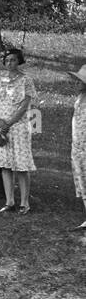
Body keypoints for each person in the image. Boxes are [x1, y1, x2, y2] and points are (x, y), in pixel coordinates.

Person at [0, 46, 36, 214]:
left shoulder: (26, 80)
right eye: (7, 60)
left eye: (13, 60)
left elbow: (25, 105)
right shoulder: (0, 79)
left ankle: (25, 202)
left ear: (19, 61)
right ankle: (9, 201)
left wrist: (9, 122)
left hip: (18, 127)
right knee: (5, 165)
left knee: (21, 165)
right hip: (1, 127)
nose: (9, 63)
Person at [68, 63, 86, 231]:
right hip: (78, 145)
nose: (77, 82)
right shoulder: (80, 98)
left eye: (80, 80)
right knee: (82, 179)